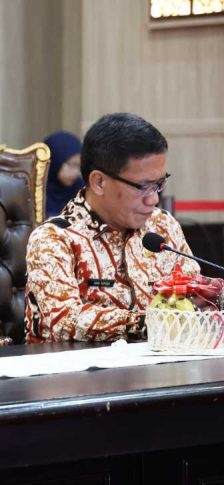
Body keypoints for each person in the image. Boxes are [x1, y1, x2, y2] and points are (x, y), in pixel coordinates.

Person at [25, 112, 198, 343]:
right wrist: (148, 323)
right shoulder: (54, 238)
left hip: (156, 367)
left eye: (160, 184)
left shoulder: (162, 226)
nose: (154, 199)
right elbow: (64, 321)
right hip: (75, 372)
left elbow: (194, 293)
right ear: (99, 182)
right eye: (143, 187)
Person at [44, 131, 83, 217]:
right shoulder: (37, 190)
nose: (76, 172)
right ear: (55, 161)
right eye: (71, 165)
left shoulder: (81, 189)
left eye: (78, 166)